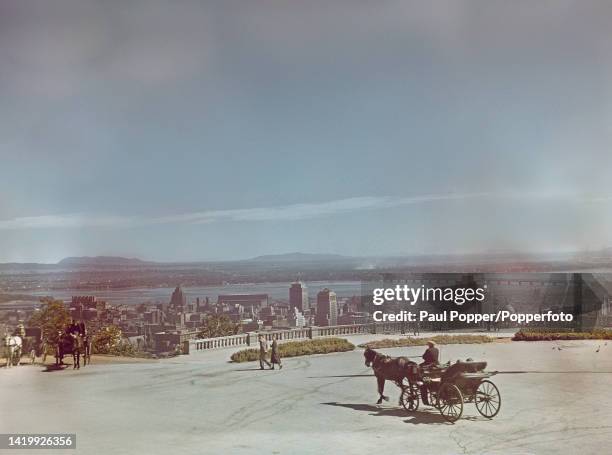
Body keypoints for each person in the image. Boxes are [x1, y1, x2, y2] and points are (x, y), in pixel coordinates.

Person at [419, 341, 440, 405]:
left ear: (429, 345)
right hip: (436, 364)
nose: (428, 345)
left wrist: (423, 356)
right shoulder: (437, 349)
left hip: (428, 364)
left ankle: (420, 378)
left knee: (418, 367)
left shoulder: (428, 350)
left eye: (428, 345)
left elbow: (424, 357)